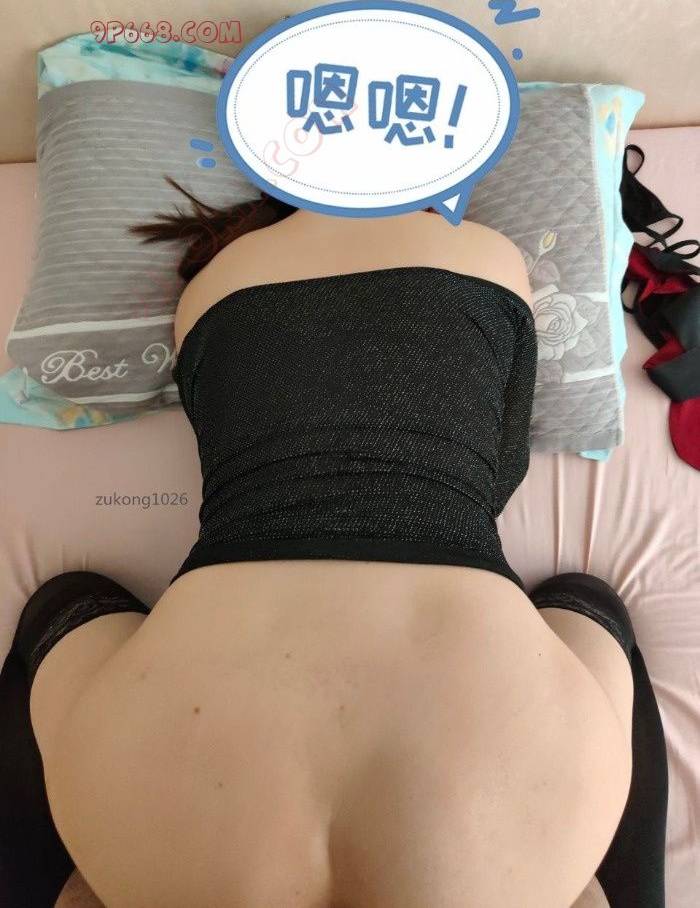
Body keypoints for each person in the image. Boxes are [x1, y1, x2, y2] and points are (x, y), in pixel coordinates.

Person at [0, 182, 667, 907]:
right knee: (582, 599)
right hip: (497, 817)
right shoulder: (487, 254)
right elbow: (504, 468)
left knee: (69, 603)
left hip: (161, 800)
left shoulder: (212, 282)